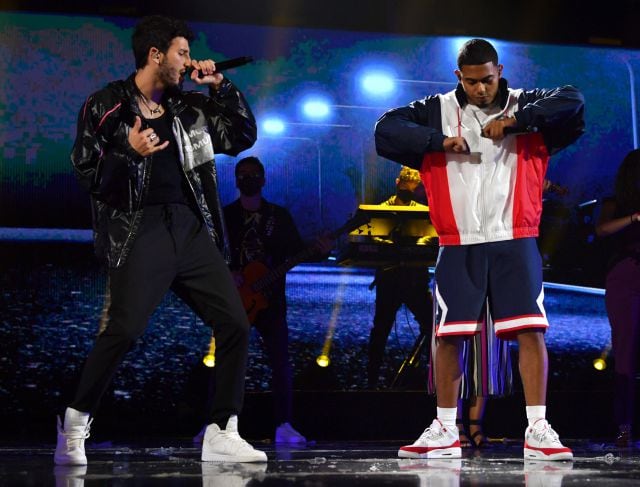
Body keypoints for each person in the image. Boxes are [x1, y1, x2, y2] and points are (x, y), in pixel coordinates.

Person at [55, 15, 266, 465]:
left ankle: (222, 429)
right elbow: (87, 172)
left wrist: (220, 88)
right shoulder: (107, 104)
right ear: (156, 55)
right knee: (125, 329)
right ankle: (74, 423)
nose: (189, 61)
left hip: (191, 228)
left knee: (234, 324)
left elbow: (242, 135)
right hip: (139, 227)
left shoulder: (190, 109)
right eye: (182, 53)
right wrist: (127, 152)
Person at [375, 38, 584, 460]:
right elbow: (385, 129)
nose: (480, 89)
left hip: (516, 234)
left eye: (487, 80)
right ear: (459, 77)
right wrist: (438, 141)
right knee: (449, 336)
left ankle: (538, 428)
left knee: (530, 330)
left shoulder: (526, 104)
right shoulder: (435, 109)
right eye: (471, 82)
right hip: (459, 239)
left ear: (500, 71)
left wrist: (515, 123)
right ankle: (445, 429)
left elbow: (573, 100)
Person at [222, 156, 333, 444]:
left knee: (281, 364)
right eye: (243, 174)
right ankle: (217, 425)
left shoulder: (278, 216)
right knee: (227, 364)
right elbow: (213, 255)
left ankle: (283, 424)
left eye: (253, 174)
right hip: (236, 302)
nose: (248, 179)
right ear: (236, 180)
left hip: (272, 304)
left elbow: (297, 250)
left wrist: (319, 251)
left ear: (263, 179)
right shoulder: (226, 216)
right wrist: (229, 273)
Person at [367, 166, 434, 389]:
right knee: (381, 329)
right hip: (390, 279)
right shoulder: (382, 209)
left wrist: (417, 243)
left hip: (414, 279)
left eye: (412, 187)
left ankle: (430, 374)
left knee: (432, 326)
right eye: (406, 186)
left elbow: (431, 236)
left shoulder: (423, 211)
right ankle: (372, 378)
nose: (408, 190)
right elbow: (374, 236)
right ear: (397, 183)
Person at [595, 149, 640, 447]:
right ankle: (624, 425)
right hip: (626, 277)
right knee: (625, 353)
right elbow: (601, 230)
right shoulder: (615, 204)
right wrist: (634, 218)